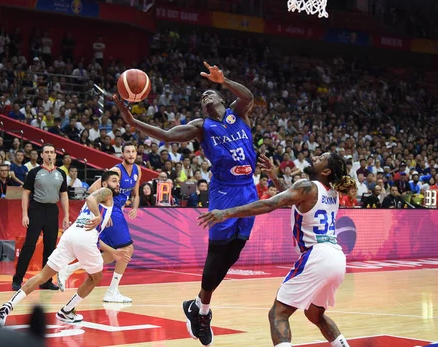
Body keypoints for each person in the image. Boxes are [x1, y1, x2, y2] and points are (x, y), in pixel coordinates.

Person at [113, 62, 257, 345]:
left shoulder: (238, 114)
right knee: (216, 255)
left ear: (222, 99)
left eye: (210, 93)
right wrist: (132, 123)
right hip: (224, 192)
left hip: (249, 190)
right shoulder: (201, 127)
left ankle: (195, 306)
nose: (206, 96)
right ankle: (202, 311)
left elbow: (248, 97)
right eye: (202, 97)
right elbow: (167, 135)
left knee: (233, 256)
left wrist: (223, 79)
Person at [198, 152, 355, 347]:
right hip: (337, 259)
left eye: (321, 158)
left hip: (317, 255)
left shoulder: (307, 187)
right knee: (315, 315)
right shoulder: (332, 192)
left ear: (326, 171)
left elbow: (271, 203)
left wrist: (227, 213)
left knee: (278, 314)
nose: (315, 157)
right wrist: (274, 176)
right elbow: (293, 199)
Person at [0, 171, 131, 327]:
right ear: (104, 184)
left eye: (118, 181)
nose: (118, 183)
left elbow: (95, 235)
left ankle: (8, 305)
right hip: (84, 238)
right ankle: (66, 310)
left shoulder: (108, 204)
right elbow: (90, 198)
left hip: (71, 235)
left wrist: (111, 250)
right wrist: (98, 215)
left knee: (43, 276)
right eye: (114, 181)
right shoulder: (106, 193)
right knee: (95, 278)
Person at [58, 142, 141, 303]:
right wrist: (105, 210)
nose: (131, 154)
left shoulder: (137, 170)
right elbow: (92, 190)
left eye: (133, 151)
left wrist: (135, 207)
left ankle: (69, 268)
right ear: (122, 155)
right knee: (127, 249)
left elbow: (135, 194)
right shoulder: (116, 171)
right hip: (112, 210)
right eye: (127, 152)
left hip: (119, 211)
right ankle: (112, 291)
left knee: (111, 254)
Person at [12, 144, 70, 291]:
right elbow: (25, 193)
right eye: (47, 152)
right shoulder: (34, 172)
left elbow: (64, 194)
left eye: (52, 152)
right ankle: (17, 279)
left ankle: (46, 281)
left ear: (55, 155)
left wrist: (67, 215)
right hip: (36, 209)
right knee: (29, 245)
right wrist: (25, 214)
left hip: (52, 210)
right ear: (42, 155)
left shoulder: (61, 173)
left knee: (50, 247)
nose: (50, 155)